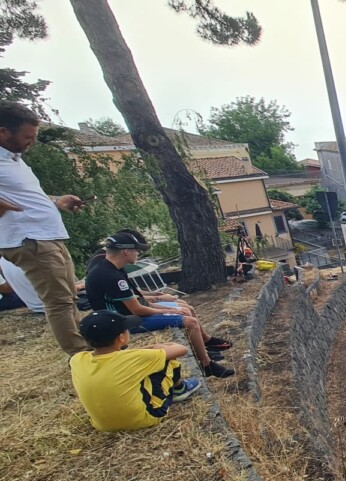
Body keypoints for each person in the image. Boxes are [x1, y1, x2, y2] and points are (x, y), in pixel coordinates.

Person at [0, 100, 89, 354]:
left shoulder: (13, 159)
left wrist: (56, 201)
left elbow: (26, 196)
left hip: (47, 237)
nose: (32, 142)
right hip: (30, 240)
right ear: (3, 132)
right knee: (59, 303)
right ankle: (81, 357)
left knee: (69, 297)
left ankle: (87, 347)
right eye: (28, 136)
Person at [84, 232, 235, 378]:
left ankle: (206, 344)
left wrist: (159, 298)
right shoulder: (112, 277)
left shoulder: (107, 268)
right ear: (126, 251)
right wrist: (170, 310)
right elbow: (137, 309)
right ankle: (206, 365)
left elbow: (135, 297)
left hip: (121, 315)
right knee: (190, 321)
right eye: (137, 250)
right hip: (125, 322)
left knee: (185, 308)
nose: (138, 254)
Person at [70, 310, 201, 432]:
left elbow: (118, 358)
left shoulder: (77, 359)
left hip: (101, 426)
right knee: (168, 360)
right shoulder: (133, 358)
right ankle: (179, 389)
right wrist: (158, 346)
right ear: (121, 337)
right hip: (145, 419)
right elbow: (181, 349)